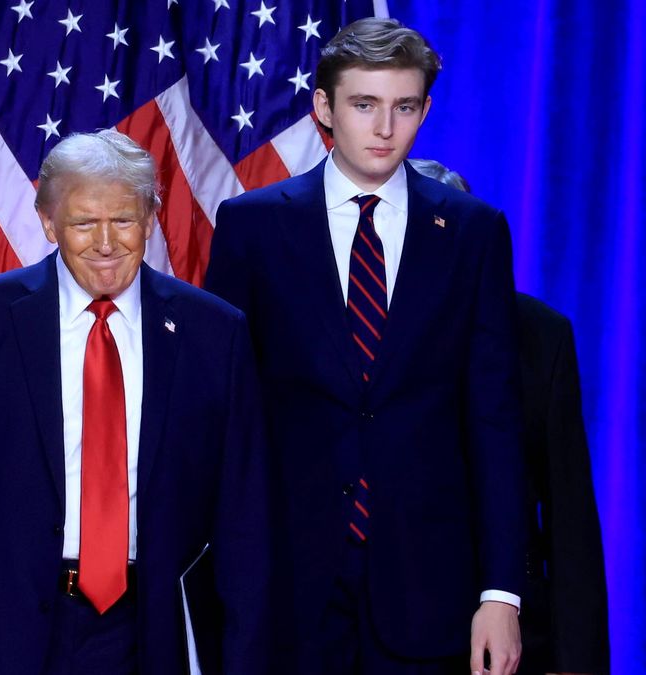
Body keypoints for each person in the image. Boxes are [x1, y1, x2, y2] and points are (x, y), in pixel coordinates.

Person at [0, 130, 269, 674]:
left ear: (152, 218)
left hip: (149, 637)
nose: (106, 242)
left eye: (124, 220)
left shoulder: (214, 333)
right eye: (85, 222)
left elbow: (244, 519)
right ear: (48, 222)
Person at [204, 18, 528, 675]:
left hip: (428, 582)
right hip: (286, 578)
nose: (384, 128)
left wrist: (501, 591)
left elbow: (494, 419)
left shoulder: (473, 233)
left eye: (403, 107)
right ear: (324, 107)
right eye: (364, 105)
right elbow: (222, 413)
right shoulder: (252, 227)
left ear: (425, 110)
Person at [410, 159, 611, 675]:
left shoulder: (540, 337)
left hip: (517, 633)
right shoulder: (353, 333)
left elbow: (570, 520)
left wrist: (579, 661)